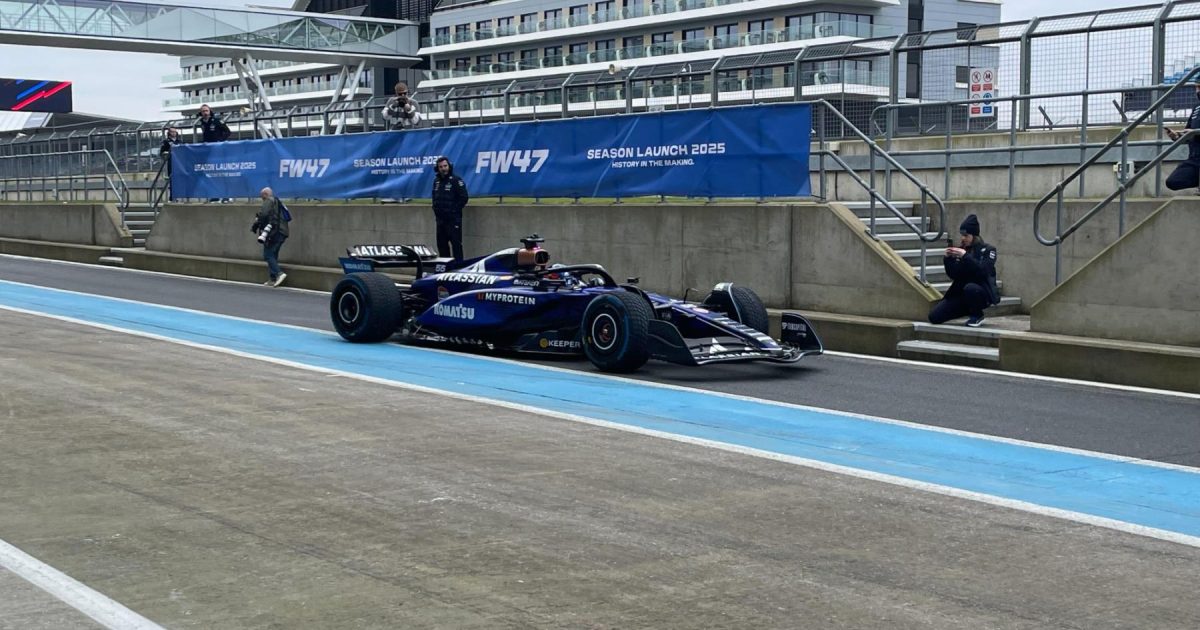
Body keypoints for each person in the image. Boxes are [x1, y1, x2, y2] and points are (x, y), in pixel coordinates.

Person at [928, 214, 999, 327]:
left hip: (981, 292)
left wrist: (965, 256)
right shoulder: (961, 250)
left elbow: (983, 271)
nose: (963, 238)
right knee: (934, 317)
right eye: (962, 235)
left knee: (970, 288)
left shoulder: (988, 250)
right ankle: (967, 308)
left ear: (974, 236)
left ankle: (977, 315)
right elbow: (954, 274)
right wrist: (948, 259)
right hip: (961, 293)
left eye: (966, 235)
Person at [251, 187, 290, 287]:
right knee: (273, 254)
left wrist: (256, 224)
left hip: (274, 232)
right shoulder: (278, 202)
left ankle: (279, 273)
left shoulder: (269, 201)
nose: (262, 200)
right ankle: (272, 279)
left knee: (267, 254)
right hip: (283, 232)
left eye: (262, 197)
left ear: (265, 195)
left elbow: (263, 214)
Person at [1165, 82, 1200, 193]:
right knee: (1173, 182)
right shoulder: (1196, 108)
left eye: (1199, 87)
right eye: (1196, 87)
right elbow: (1188, 132)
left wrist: (1196, 132)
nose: (1197, 91)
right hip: (1194, 158)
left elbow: (1193, 132)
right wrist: (1176, 136)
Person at [431, 157, 468, 261]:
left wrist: (453, 211)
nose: (443, 169)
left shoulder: (456, 180)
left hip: (453, 221)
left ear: (449, 166)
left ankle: (459, 269)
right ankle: (445, 270)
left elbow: (464, 198)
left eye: (445, 166)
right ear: (437, 168)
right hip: (440, 221)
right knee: (442, 246)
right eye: (441, 167)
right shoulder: (436, 182)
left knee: (456, 246)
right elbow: (434, 198)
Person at [196, 104, 231, 203]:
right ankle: (215, 195)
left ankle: (226, 196)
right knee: (212, 174)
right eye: (203, 111)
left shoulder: (216, 121)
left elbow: (228, 132)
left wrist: (219, 141)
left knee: (222, 173)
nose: (205, 113)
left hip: (218, 150)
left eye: (206, 111)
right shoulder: (202, 122)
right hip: (208, 151)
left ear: (210, 111)